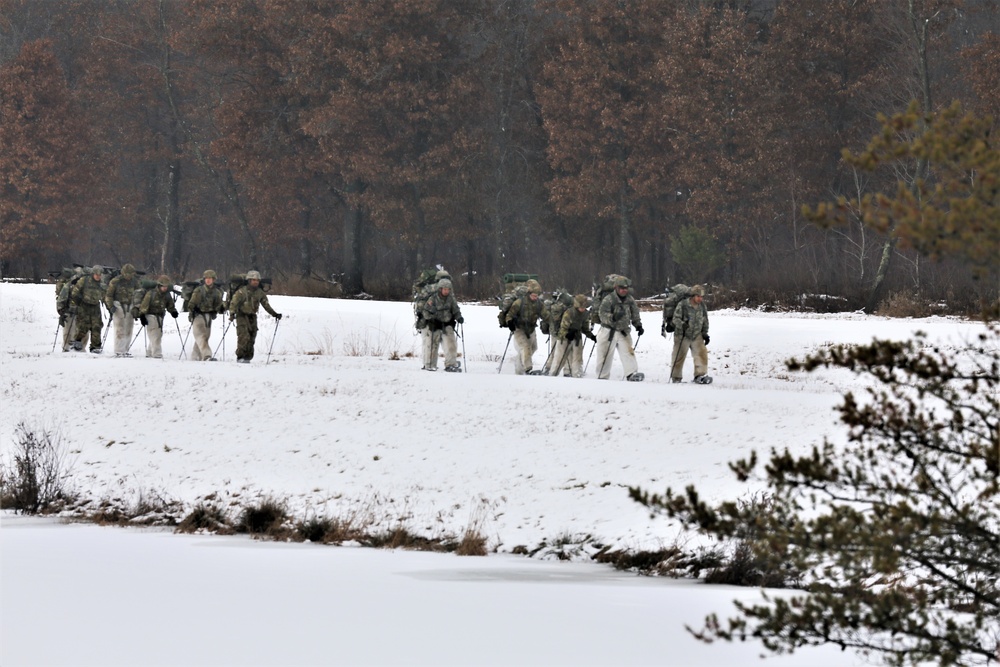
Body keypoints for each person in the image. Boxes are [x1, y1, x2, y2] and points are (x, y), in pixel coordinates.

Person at [595, 275, 644, 381]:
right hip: (608, 331)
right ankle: (602, 376)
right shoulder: (608, 299)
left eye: (625, 288)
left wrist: (638, 325)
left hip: (623, 331)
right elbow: (602, 314)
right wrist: (613, 317)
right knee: (604, 354)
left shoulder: (630, 299)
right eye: (621, 288)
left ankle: (631, 373)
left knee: (628, 352)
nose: (623, 290)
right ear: (616, 288)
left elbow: (635, 312)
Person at [229, 270, 282, 363]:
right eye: (253, 280)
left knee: (252, 336)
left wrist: (275, 314)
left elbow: (266, 305)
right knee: (243, 336)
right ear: (249, 280)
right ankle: (240, 357)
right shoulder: (241, 292)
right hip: (242, 316)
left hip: (252, 317)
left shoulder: (260, 293)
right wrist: (232, 313)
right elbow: (234, 303)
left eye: (257, 280)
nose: (255, 282)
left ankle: (248, 357)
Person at [420, 278, 464, 372]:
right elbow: (425, 312)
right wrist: (430, 317)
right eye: (444, 289)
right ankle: (430, 364)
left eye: (448, 289)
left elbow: (455, 309)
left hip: (447, 324)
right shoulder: (433, 299)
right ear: (440, 289)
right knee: (432, 345)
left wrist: (459, 317)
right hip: (434, 324)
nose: (446, 291)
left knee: (451, 344)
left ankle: (451, 364)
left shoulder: (451, 298)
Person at [670, 284, 711, 384]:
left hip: (697, 335)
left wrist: (705, 333)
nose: (700, 299)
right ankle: (676, 377)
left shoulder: (702, 306)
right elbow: (675, 319)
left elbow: (705, 319)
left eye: (701, 297)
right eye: (698, 296)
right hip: (682, 335)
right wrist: (682, 325)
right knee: (679, 357)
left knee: (701, 355)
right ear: (693, 296)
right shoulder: (683, 304)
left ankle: (700, 375)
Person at [549, 294, 597, 378]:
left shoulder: (585, 313)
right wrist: (567, 334)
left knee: (577, 358)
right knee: (560, 358)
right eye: (581, 307)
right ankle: (553, 375)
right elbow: (563, 327)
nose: (582, 309)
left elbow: (585, 328)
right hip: (564, 338)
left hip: (577, 337)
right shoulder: (569, 312)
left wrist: (592, 336)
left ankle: (576, 375)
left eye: (584, 307)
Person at [504, 279, 544, 375]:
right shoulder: (519, 302)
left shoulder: (538, 303)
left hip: (531, 329)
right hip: (519, 329)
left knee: (534, 347)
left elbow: (545, 314)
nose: (535, 298)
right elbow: (509, 315)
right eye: (533, 296)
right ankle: (528, 369)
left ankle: (519, 368)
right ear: (529, 294)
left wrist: (550, 322)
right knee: (525, 347)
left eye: (536, 296)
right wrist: (510, 322)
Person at [186, 269, 226, 361]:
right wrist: (191, 313)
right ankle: (207, 356)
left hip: (208, 316)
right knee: (201, 336)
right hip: (198, 315)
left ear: (214, 280)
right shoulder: (199, 290)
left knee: (205, 337)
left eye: (210, 278)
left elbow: (218, 305)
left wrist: (221, 308)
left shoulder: (217, 292)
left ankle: (195, 356)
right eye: (206, 278)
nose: (208, 280)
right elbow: (191, 304)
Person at [104, 263, 140, 357]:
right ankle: (119, 350)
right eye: (127, 274)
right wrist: (110, 306)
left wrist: (137, 307)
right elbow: (109, 295)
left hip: (130, 305)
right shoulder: (115, 281)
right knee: (120, 328)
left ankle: (125, 349)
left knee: (129, 327)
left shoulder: (135, 282)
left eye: (130, 274)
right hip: (118, 304)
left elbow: (139, 294)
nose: (129, 276)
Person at [139, 275, 179, 359]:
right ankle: (157, 354)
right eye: (163, 286)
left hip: (160, 317)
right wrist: (142, 316)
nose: (165, 288)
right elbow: (144, 305)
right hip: (150, 316)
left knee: (157, 335)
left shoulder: (167, 295)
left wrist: (173, 311)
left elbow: (170, 305)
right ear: (159, 285)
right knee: (155, 335)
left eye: (166, 286)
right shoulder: (151, 294)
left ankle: (149, 352)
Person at [69, 266, 106, 353]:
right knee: (83, 326)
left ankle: (95, 347)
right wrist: (78, 301)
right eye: (96, 275)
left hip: (95, 306)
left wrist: (110, 306)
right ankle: (77, 342)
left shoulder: (101, 283)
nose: (98, 276)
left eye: (100, 275)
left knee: (96, 326)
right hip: (84, 306)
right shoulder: (84, 280)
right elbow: (74, 292)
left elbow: (105, 295)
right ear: (93, 274)